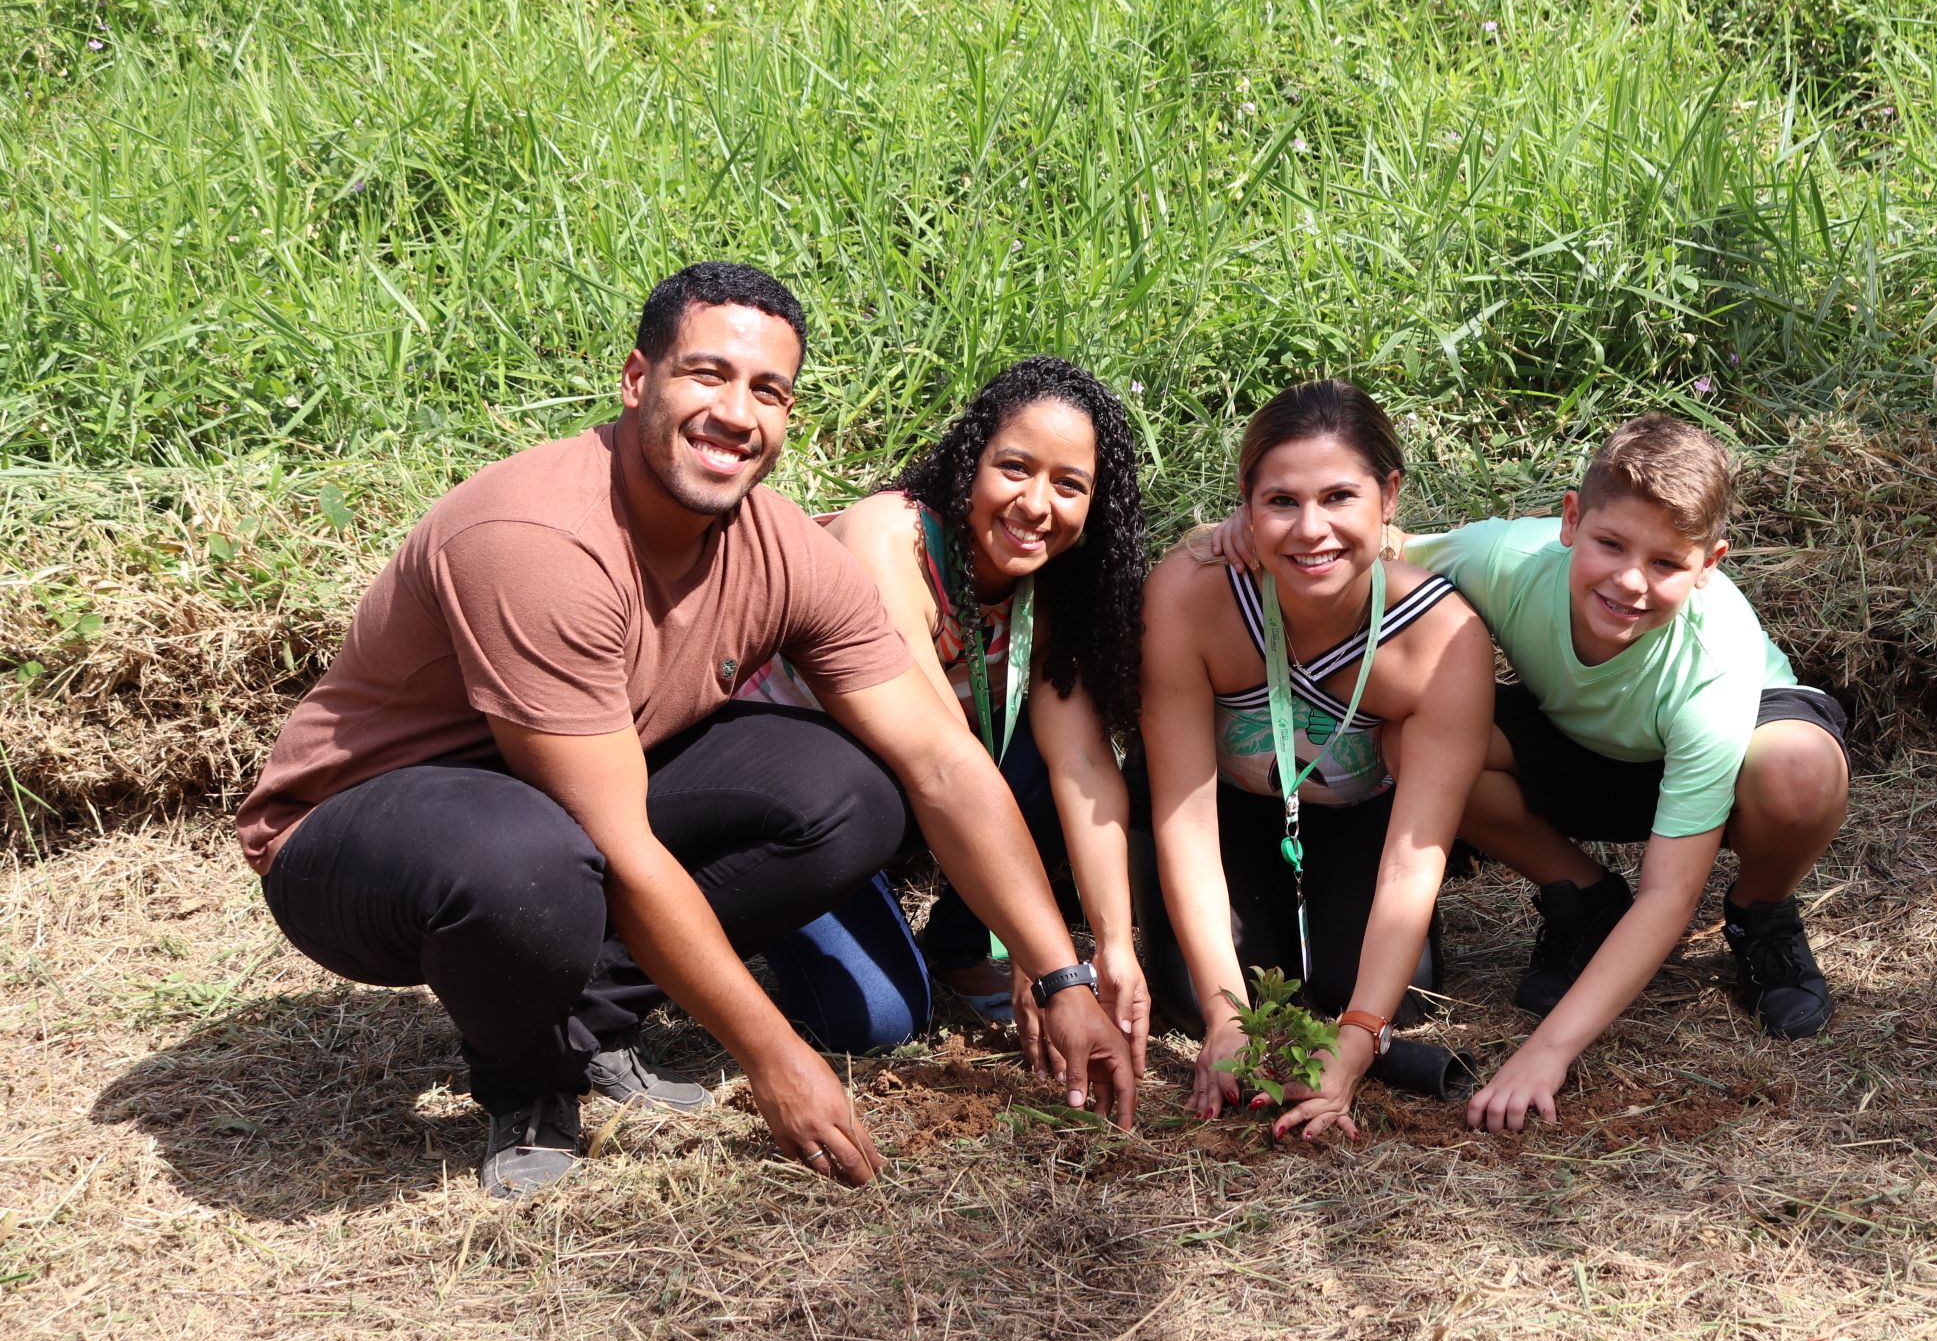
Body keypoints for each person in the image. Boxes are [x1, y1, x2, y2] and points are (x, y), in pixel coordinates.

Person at [235, 262, 1139, 1199]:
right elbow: (619, 842)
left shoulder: (779, 543)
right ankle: (529, 1080)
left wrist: (1060, 974)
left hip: (573, 797)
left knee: (850, 794)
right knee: (530, 862)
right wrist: (774, 1055)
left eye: (768, 391)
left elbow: (942, 761)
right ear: (638, 380)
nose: (737, 413)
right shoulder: (537, 538)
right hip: (358, 830)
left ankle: (584, 1022)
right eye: (707, 375)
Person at [739, 358, 1149, 1074]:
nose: (1036, 505)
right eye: (1015, 468)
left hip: (901, 796)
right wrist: (1044, 955)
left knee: (1056, 768)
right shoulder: (888, 539)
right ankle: (748, 924)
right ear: (971, 459)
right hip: (802, 813)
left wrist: (1110, 946)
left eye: (1070, 485)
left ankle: (957, 947)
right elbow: (936, 761)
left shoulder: (1052, 589)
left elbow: (1084, 766)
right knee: (879, 1021)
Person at [1138, 379, 1493, 1142]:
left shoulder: (1442, 639)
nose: (1311, 530)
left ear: (1388, 496)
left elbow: (1413, 853)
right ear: (1245, 501)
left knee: (1395, 998)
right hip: (1226, 812)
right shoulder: (1192, 592)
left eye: (1338, 497)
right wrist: (1223, 1017)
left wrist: (1361, 1037)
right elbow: (1185, 816)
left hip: (1358, 818)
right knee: (1187, 994)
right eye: (1281, 502)